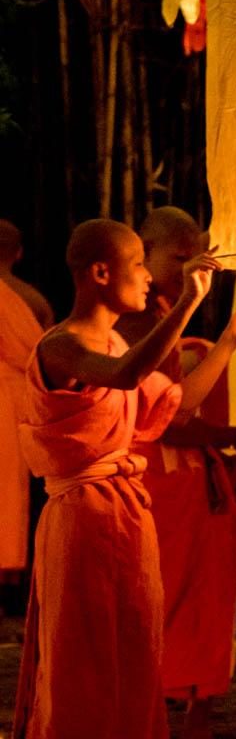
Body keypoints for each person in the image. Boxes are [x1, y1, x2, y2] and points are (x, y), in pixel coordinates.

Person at [13, 218, 236, 739]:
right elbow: (125, 376)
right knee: (83, 657)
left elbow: (178, 405)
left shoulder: (114, 344)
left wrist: (230, 339)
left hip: (128, 517)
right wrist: (188, 304)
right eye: (138, 263)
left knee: (135, 650)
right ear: (101, 273)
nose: (149, 276)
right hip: (82, 520)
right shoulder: (60, 346)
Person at [117, 206, 236, 739]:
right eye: (179, 259)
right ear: (143, 253)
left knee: (207, 601)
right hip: (153, 481)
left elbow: (184, 408)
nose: (189, 271)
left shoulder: (168, 316)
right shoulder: (134, 321)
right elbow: (163, 417)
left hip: (193, 479)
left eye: (196, 259)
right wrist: (230, 436)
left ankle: (198, 711)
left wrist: (233, 454)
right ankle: (147, 709)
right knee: (157, 600)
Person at [0, 221, 53, 612]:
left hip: (12, 399)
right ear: (18, 254)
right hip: (23, 404)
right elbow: (48, 359)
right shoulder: (34, 300)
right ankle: (14, 591)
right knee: (15, 492)